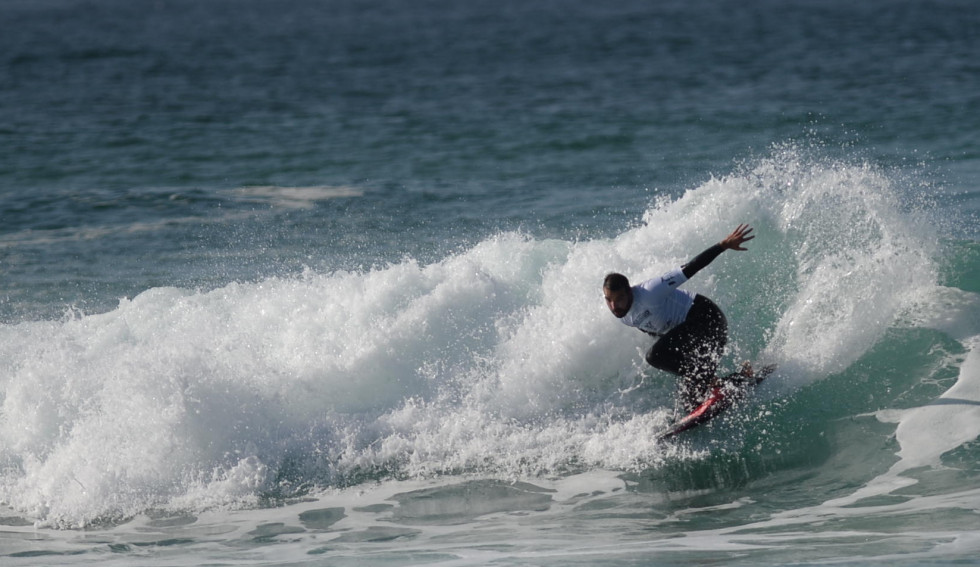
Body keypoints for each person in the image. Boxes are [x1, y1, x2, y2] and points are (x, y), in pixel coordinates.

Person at [603, 224, 755, 412]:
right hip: (691, 333)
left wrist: (723, 245)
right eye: (609, 300)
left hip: (706, 318)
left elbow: (691, 267)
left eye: (619, 299)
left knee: (654, 356)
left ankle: (714, 381)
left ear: (630, 291)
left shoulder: (651, 291)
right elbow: (651, 328)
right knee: (691, 403)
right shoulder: (621, 314)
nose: (613, 306)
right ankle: (741, 377)